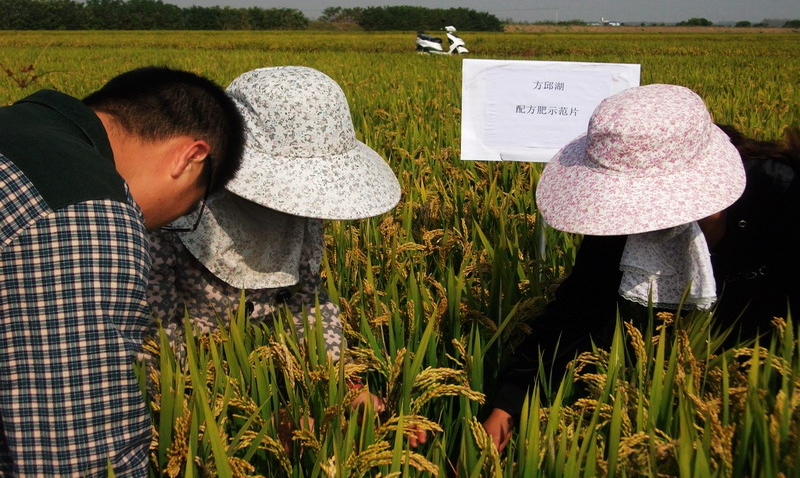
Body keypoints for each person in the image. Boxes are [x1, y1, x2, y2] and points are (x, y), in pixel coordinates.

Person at [482, 83, 800, 451]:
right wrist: (505, 407)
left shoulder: (785, 199)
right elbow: (575, 313)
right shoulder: (621, 221)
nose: (640, 216)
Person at [0, 67, 245, 477]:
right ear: (190, 157)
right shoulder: (86, 213)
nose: (164, 225)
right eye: (191, 207)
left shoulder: (18, 128)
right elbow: (74, 456)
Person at [146, 66, 409, 424]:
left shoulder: (303, 211)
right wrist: (231, 422)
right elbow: (152, 342)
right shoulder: (168, 217)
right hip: (196, 399)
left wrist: (344, 383)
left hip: (270, 381)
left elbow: (307, 302)